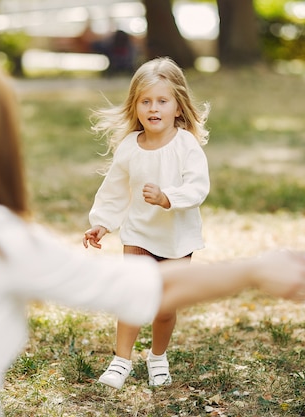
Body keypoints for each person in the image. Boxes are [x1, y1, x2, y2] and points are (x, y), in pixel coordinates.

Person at [0, 47, 305, 417]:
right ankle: (127, 357)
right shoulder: (2, 241)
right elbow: (140, 287)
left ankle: (151, 356)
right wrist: (253, 269)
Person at [82, 56, 212, 389]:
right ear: (136, 106)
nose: (154, 108)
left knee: (165, 306)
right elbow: (114, 190)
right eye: (146, 101)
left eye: (162, 101)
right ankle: (121, 360)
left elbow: (198, 187)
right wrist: (102, 223)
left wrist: (169, 197)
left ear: (178, 108)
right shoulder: (130, 147)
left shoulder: (186, 145)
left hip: (177, 239)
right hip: (138, 234)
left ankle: (157, 356)